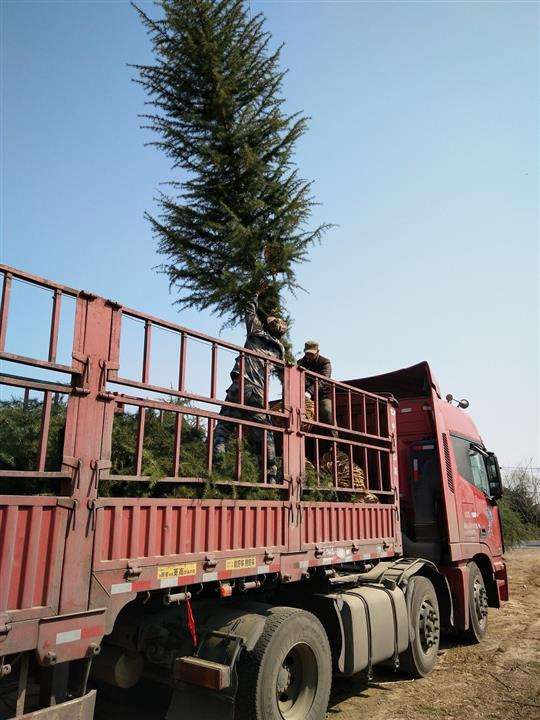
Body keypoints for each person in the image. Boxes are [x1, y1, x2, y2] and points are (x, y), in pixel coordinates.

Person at [213, 293, 287, 483]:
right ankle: (270, 475)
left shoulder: (255, 333)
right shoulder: (279, 350)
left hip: (241, 386)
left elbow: (249, 309)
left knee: (223, 428)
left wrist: (256, 294)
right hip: (259, 393)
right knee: (265, 433)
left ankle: (216, 465)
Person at [297, 341, 337, 436]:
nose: (309, 355)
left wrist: (309, 392)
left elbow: (323, 380)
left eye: (311, 353)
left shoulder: (325, 362)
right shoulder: (300, 363)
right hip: (303, 396)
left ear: (318, 351)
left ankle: (334, 443)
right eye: (307, 353)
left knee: (327, 410)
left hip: (322, 395)